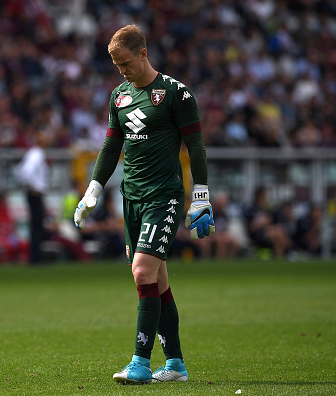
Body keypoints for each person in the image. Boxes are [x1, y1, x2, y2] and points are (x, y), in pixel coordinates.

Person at [73, 25, 215, 385]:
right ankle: (176, 365)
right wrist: (93, 187)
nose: (122, 70)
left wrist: (200, 195)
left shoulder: (175, 94)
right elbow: (110, 147)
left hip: (163, 196)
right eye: (116, 65)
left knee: (142, 272)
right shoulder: (119, 96)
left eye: (126, 62)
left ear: (143, 54)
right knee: (157, 280)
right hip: (130, 199)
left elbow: (195, 146)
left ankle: (139, 362)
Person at [14, 131, 50, 264]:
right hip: (35, 194)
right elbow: (25, 172)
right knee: (37, 226)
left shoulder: (33, 153)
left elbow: (19, 171)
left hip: (34, 193)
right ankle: (36, 258)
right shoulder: (37, 153)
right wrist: (32, 186)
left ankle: (35, 257)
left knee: (36, 225)